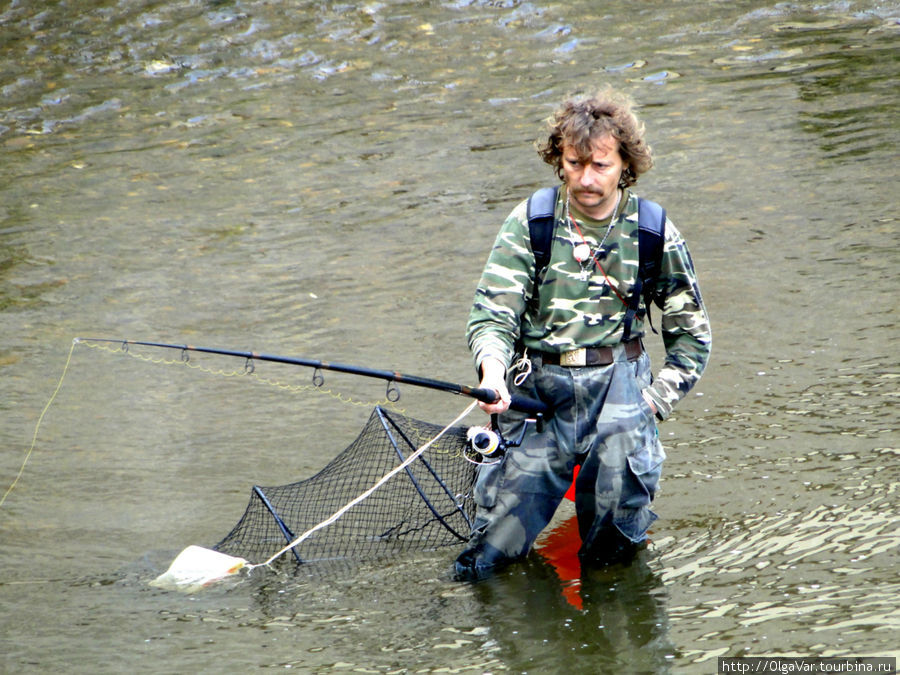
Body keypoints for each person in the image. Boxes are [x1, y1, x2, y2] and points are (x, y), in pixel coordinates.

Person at [454, 87, 712, 580]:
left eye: (600, 166)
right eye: (574, 164)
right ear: (559, 159)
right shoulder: (531, 222)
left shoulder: (655, 232)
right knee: (488, 559)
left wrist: (650, 406)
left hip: (622, 397)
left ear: (625, 166)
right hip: (535, 401)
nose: (586, 179)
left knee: (614, 562)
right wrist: (492, 371)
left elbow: (692, 340)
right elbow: (493, 314)